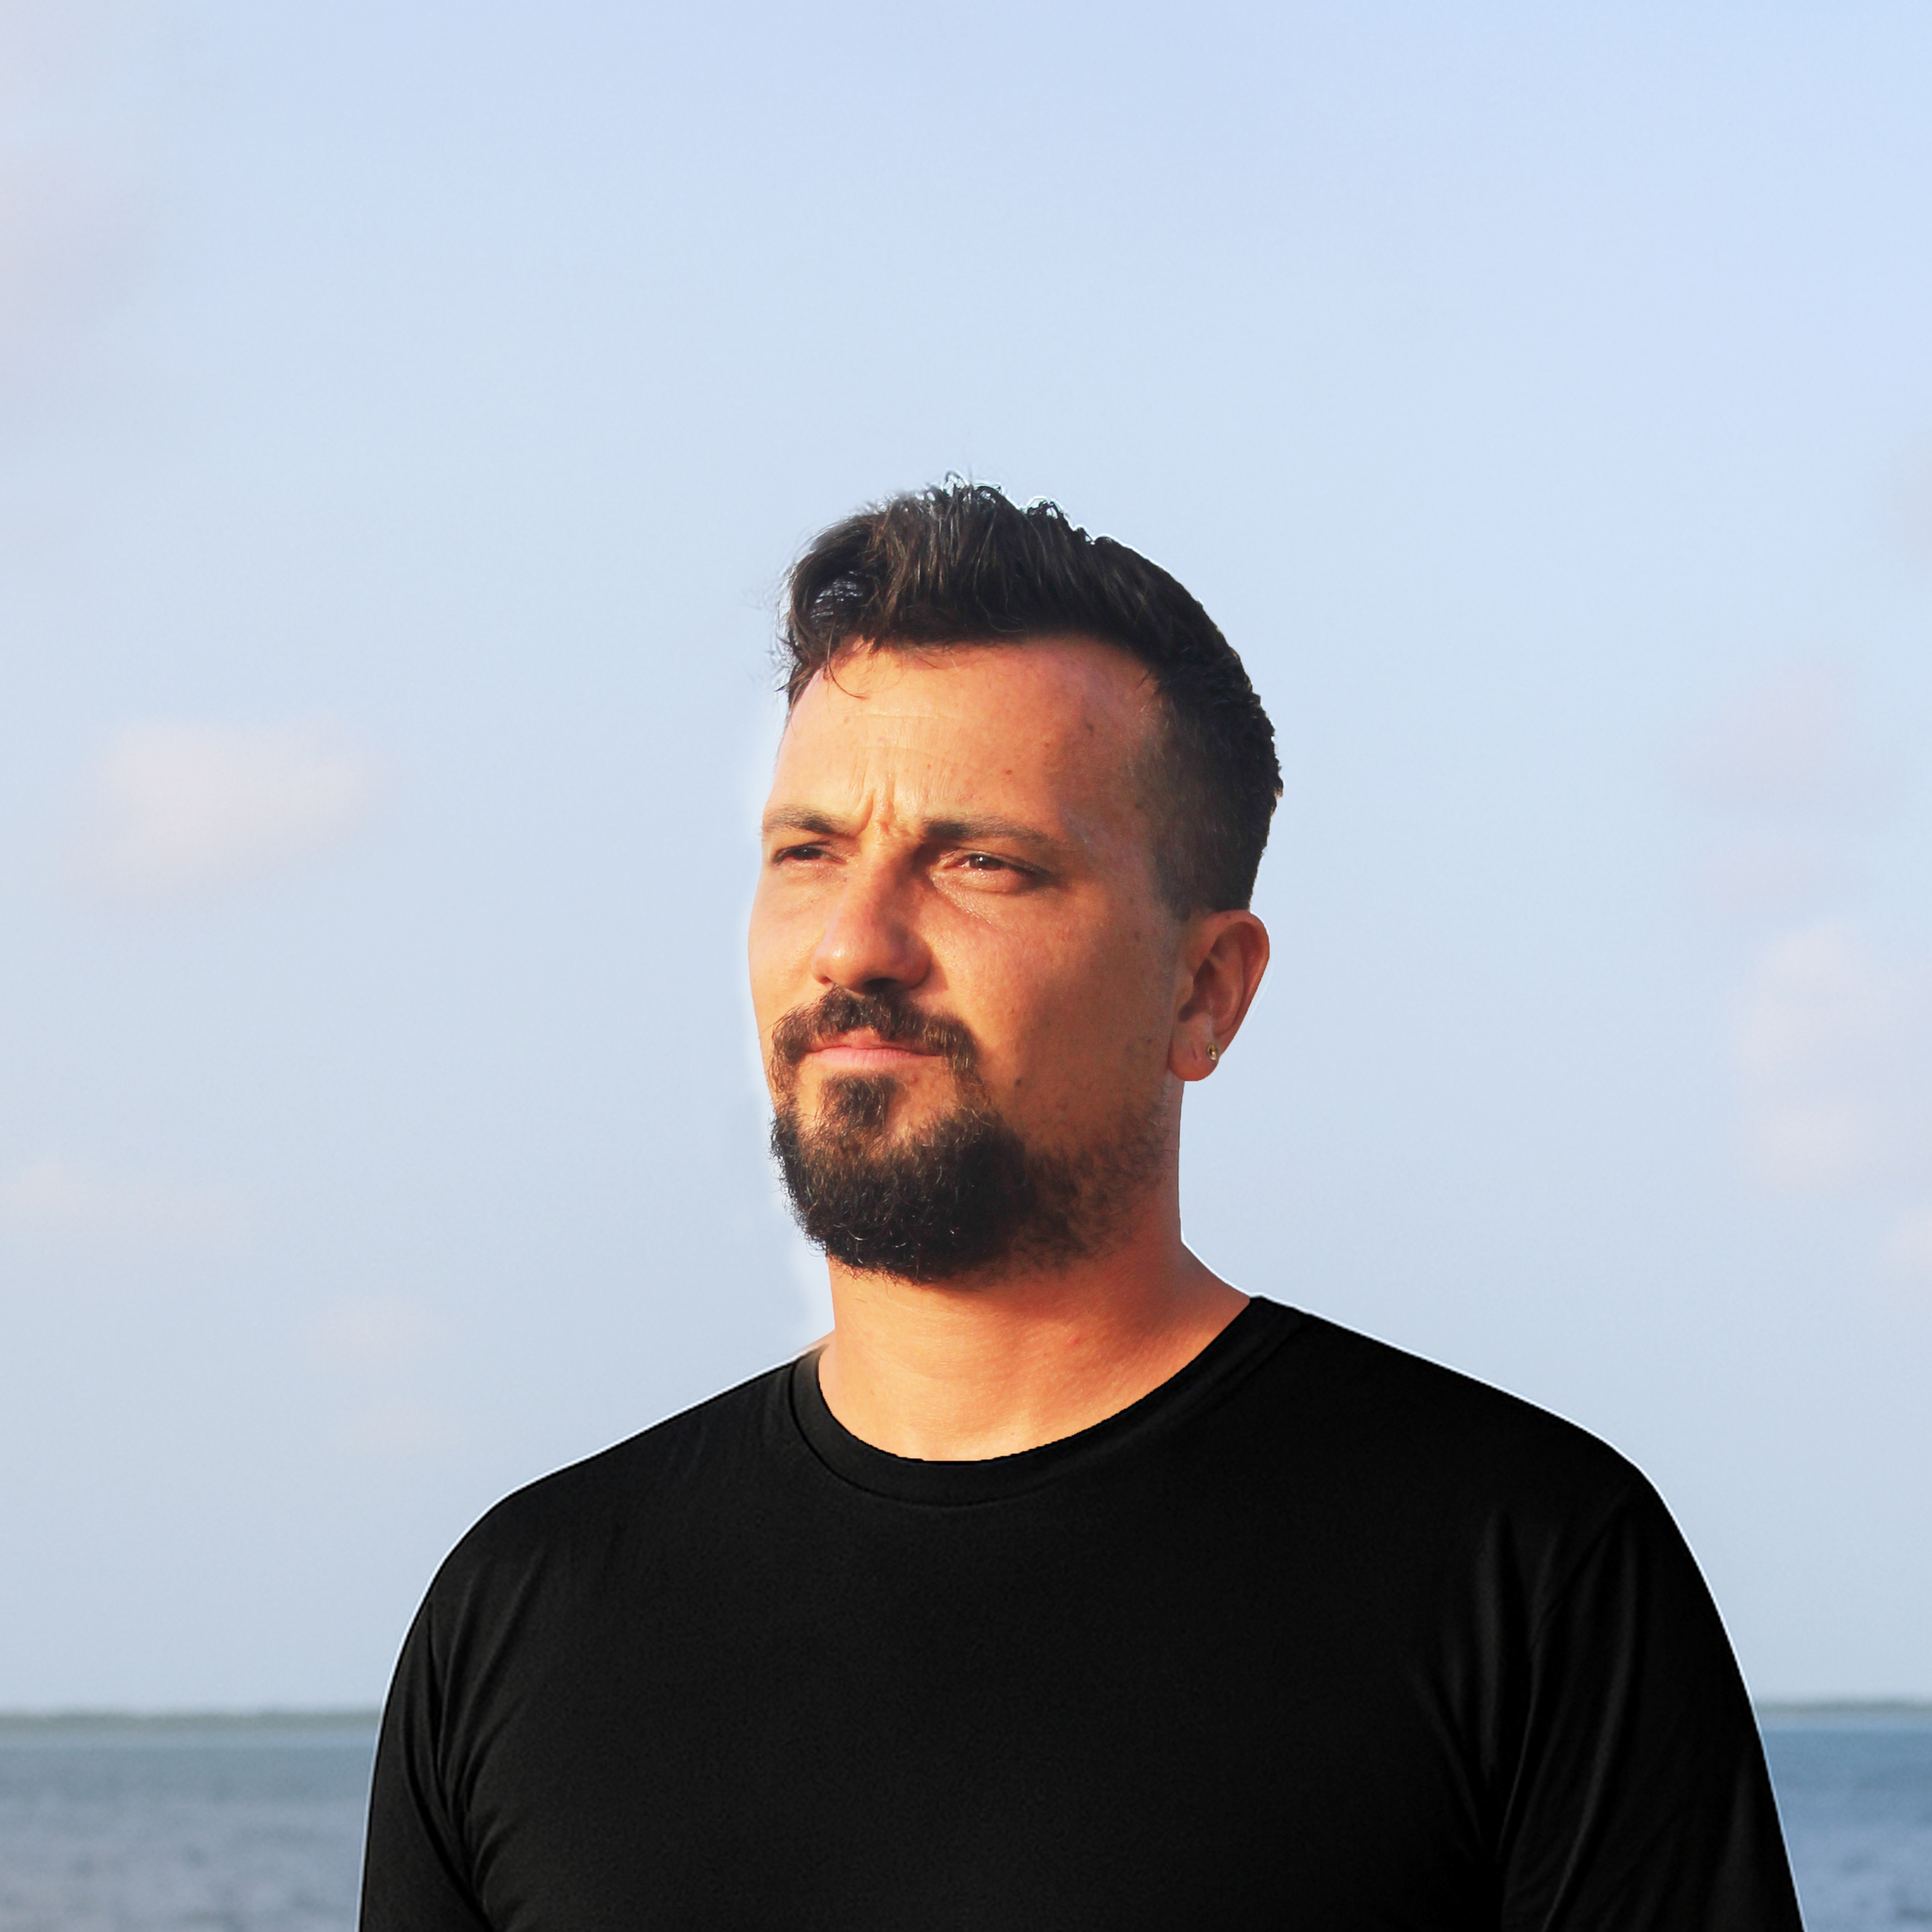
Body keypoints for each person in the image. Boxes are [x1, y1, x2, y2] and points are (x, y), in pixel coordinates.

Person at [361, 483, 1802, 1929]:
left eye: (981, 862)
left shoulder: (1529, 1577)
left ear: (1204, 990)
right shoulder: (521, 1618)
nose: (855, 943)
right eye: (808, 852)